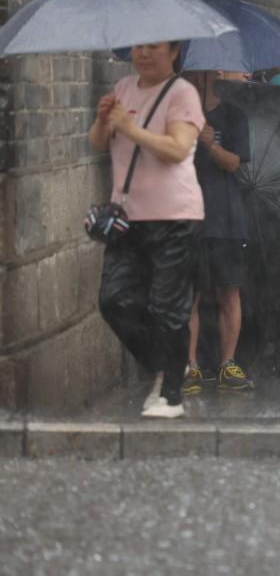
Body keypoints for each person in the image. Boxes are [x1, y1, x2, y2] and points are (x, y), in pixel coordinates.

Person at [88, 41, 205, 418]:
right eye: (139, 47)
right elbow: (98, 143)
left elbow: (177, 148)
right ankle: (168, 364)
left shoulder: (182, 93)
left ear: (173, 52)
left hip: (174, 216)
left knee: (168, 308)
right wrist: (104, 121)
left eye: (154, 47)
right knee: (113, 300)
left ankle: (171, 395)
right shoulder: (123, 89)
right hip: (127, 217)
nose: (144, 54)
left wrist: (130, 127)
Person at [184, 70, 253, 394]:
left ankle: (227, 363)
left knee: (229, 291)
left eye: (200, 72)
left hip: (225, 218)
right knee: (188, 295)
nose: (194, 77)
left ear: (211, 75)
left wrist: (209, 144)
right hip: (186, 215)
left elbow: (234, 164)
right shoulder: (178, 116)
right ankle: (190, 366)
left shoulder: (233, 116)